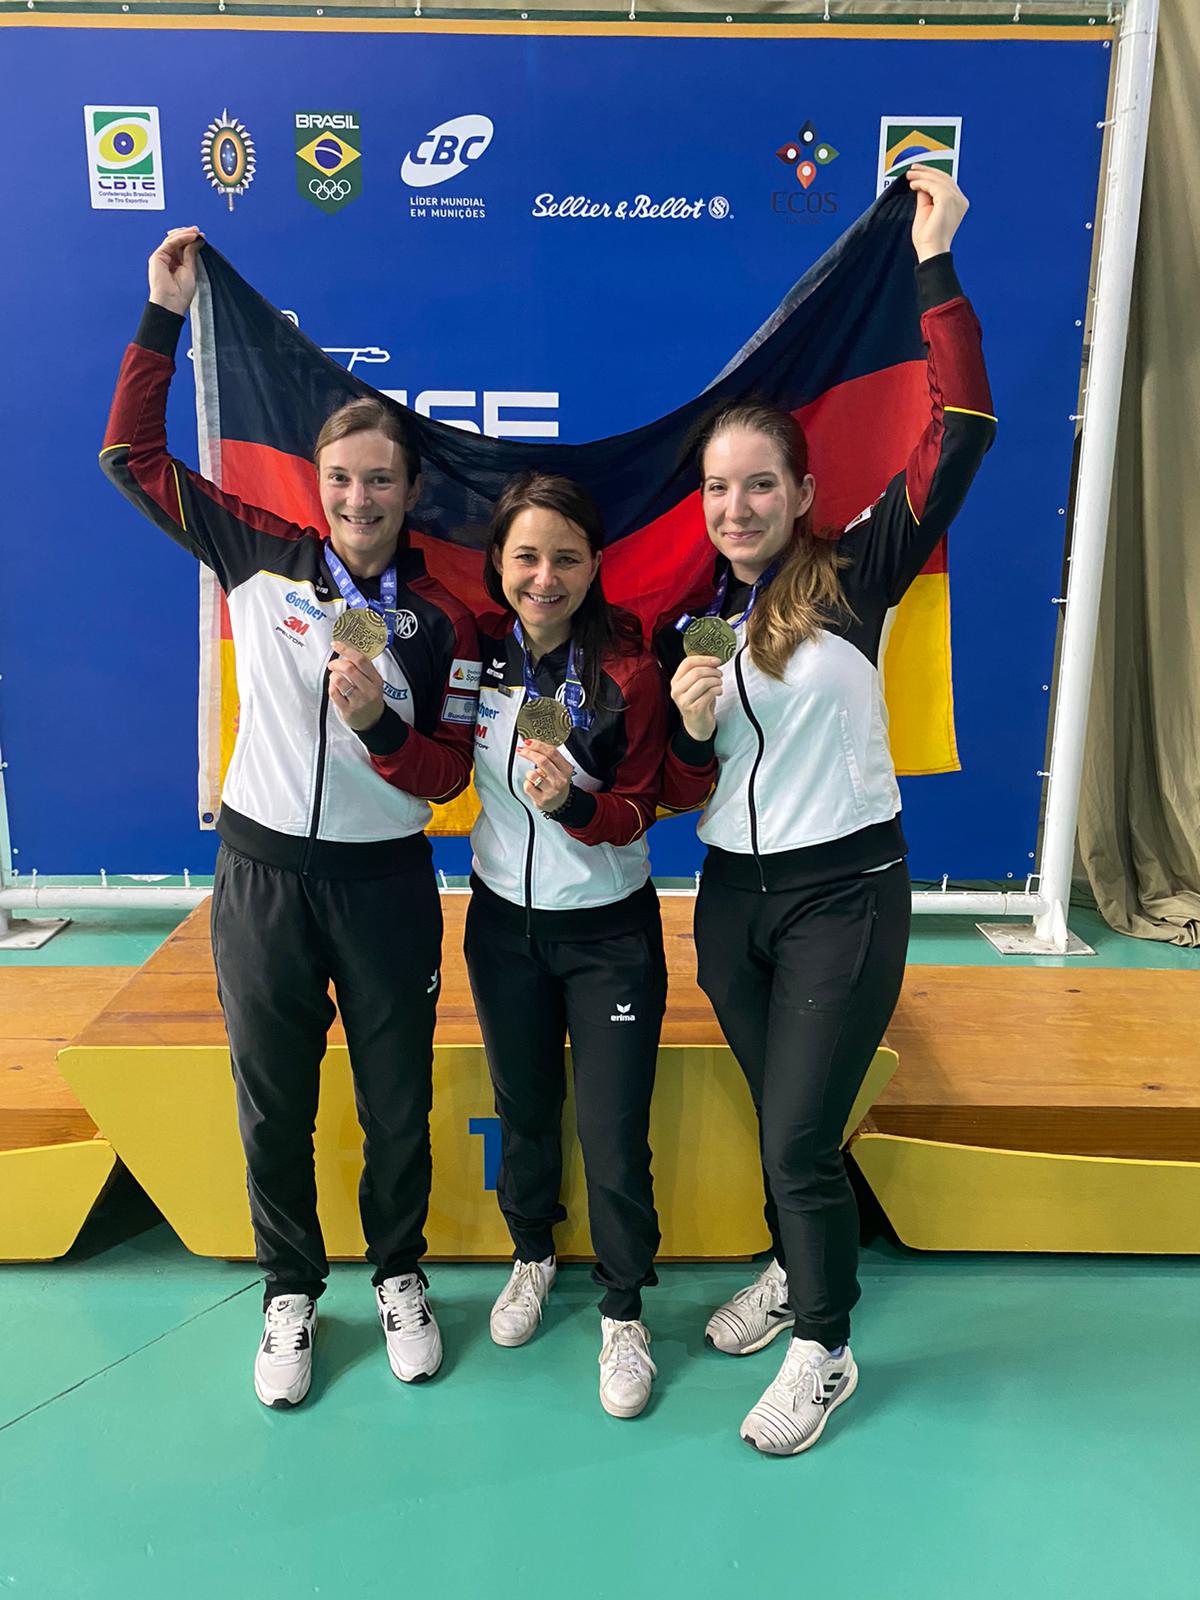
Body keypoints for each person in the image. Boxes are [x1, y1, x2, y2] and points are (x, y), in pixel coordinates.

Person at [101, 226, 480, 1409]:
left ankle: (400, 1275)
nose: (361, 497)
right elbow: (129, 455)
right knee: (272, 1092)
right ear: (316, 490)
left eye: (381, 478)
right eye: (342, 480)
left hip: (384, 886)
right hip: (262, 875)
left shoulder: (445, 617)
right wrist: (161, 317)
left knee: (395, 1098)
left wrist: (376, 727)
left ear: (411, 490)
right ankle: (289, 1291)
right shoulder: (261, 553)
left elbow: (446, 778)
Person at [658, 166, 995, 1455]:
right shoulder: (713, 624)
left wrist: (933, 264)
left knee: (799, 1134)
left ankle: (826, 1348)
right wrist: (690, 737)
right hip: (729, 899)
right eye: (716, 491)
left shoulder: (856, 571)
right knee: (782, 1115)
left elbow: (960, 423)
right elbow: (697, 782)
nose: (734, 508)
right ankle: (802, 1269)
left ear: (800, 494)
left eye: (758, 486)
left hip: (841, 895)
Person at [364, 470, 668, 1417]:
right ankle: (530, 1255)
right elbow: (444, 769)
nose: (545, 577)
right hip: (501, 928)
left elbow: (643, 807)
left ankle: (624, 1312)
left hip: (609, 933)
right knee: (523, 1111)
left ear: (594, 565)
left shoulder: (630, 671)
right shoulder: (476, 656)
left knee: (613, 1135)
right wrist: (374, 726)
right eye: (526, 556)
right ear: (497, 562)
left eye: (566, 558)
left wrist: (573, 801)